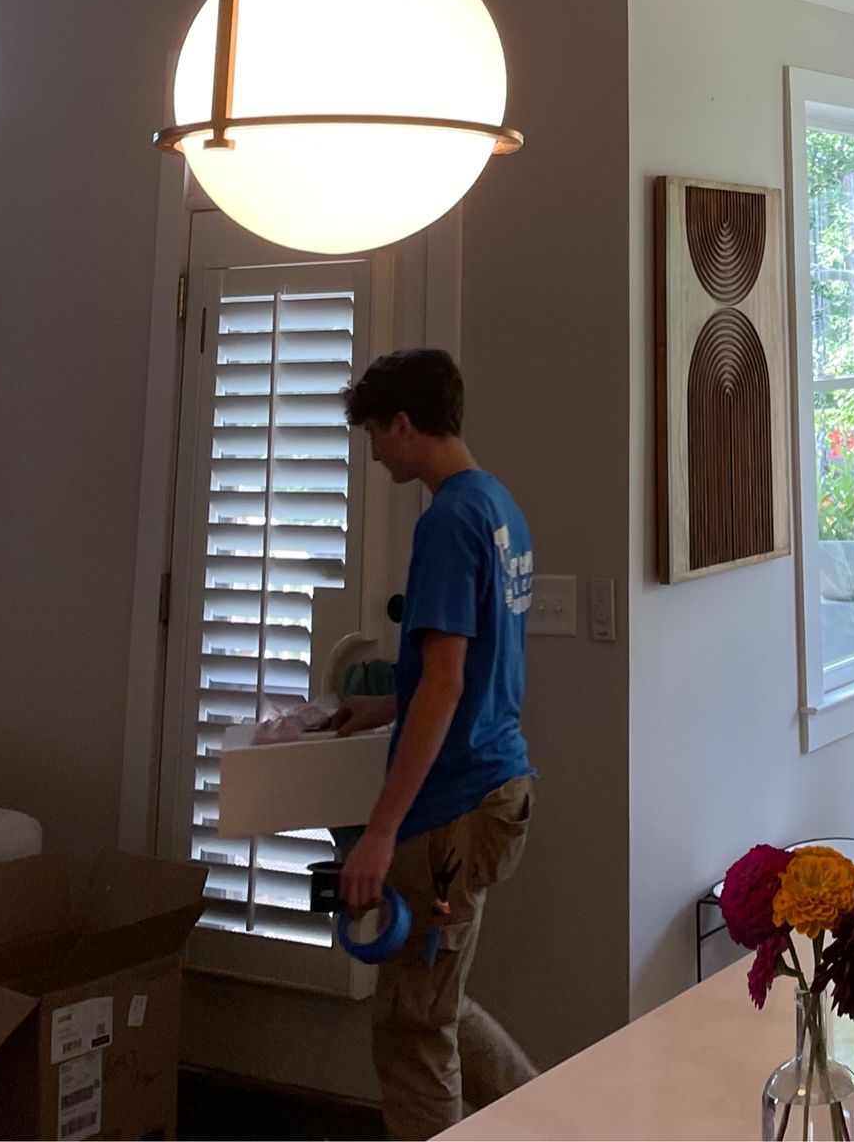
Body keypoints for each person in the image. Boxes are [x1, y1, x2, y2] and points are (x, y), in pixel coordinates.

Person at [334, 348, 535, 1137]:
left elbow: (448, 681)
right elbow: (466, 668)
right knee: (436, 1004)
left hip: (453, 808)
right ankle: (560, 1120)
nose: (374, 451)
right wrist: (388, 703)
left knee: (412, 1032)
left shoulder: (447, 520)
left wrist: (380, 833)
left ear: (405, 424)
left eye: (375, 433)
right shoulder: (498, 507)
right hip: (499, 787)